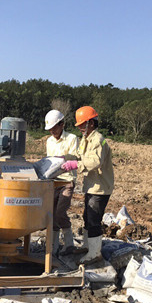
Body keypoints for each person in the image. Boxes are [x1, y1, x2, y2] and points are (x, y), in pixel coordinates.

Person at [60, 106, 114, 264]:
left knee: (93, 220)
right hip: (92, 186)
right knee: (87, 216)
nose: (80, 128)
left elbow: (94, 161)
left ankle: (94, 253)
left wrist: (75, 165)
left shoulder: (98, 140)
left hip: (100, 187)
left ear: (91, 123)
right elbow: (80, 154)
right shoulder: (86, 139)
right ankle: (87, 245)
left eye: (82, 124)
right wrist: (66, 157)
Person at [44, 109, 79, 255]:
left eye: (54, 127)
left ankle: (69, 243)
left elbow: (75, 157)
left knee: (60, 212)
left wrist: (63, 159)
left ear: (62, 124)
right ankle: (54, 246)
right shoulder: (49, 141)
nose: (52, 131)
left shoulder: (71, 138)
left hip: (67, 181)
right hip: (53, 181)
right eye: (50, 129)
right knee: (51, 213)